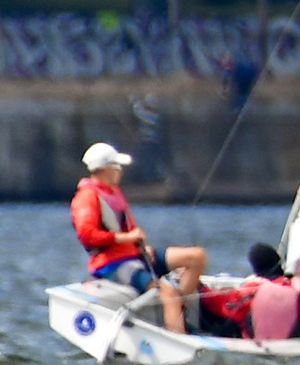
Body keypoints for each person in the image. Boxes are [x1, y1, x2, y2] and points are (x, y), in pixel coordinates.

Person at [69, 142, 205, 336]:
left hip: (135, 254)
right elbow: (87, 235)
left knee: (196, 257)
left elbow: (130, 227)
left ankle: (178, 311)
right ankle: (178, 338)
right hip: (112, 264)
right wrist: (126, 238)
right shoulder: (86, 197)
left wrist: (140, 244)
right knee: (168, 291)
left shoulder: (114, 192)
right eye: (117, 167)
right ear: (105, 169)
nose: (120, 172)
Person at [196, 243, 300, 343]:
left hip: (257, 343)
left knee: (218, 319)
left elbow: (226, 307)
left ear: (256, 267)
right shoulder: (296, 286)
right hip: (293, 340)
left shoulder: (253, 288)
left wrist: (201, 289)